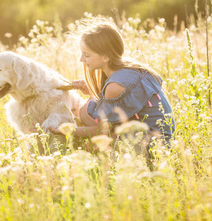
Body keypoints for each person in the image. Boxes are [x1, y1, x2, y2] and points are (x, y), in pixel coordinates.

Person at [50, 17, 175, 148]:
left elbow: (102, 130)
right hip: (160, 138)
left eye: (87, 55)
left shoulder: (114, 86)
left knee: (91, 144)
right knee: (86, 111)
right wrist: (92, 91)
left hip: (154, 145)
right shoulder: (130, 68)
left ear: (105, 57)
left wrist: (63, 130)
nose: (82, 59)